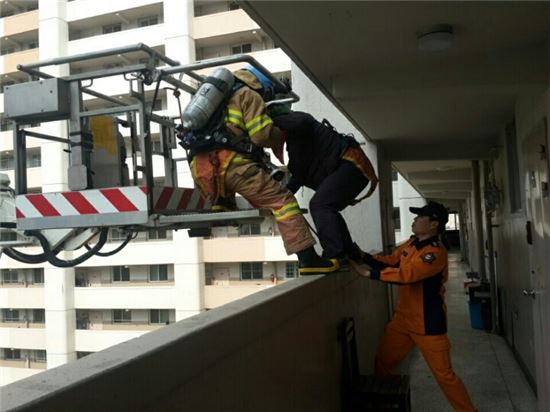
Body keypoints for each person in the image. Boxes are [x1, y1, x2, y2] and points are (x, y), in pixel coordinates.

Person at [185, 67, 339, 274]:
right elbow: (261, 135)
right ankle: (308, 258)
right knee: (283, 202)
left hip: (201, 171)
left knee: (229, 182)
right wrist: (280, 133)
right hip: (233, 166)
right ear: (263, 86)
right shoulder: (247, 95)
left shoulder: (210, 104)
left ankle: (221, 202)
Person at [351, 201, 477, 412]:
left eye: (420, 218)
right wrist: (364, 257)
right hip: (403, 319)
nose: (415, 220)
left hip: (427, 323)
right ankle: (384, 402)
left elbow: (407, 275)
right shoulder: (411, 244)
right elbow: (392, 261)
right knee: (383, 361)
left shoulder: (435, 252)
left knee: (445, 376)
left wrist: (370, 274)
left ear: (434, 224)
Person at [270, 110, 378, 265]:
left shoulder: (295, 120)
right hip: (347, 169)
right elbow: (298, 176)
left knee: (320, 205)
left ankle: (335, 254)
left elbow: (302, 123)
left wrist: (270, 119)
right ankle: (348, 251)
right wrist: (281, 197)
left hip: (350, 164)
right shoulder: (294, 147)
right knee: (327, 207)